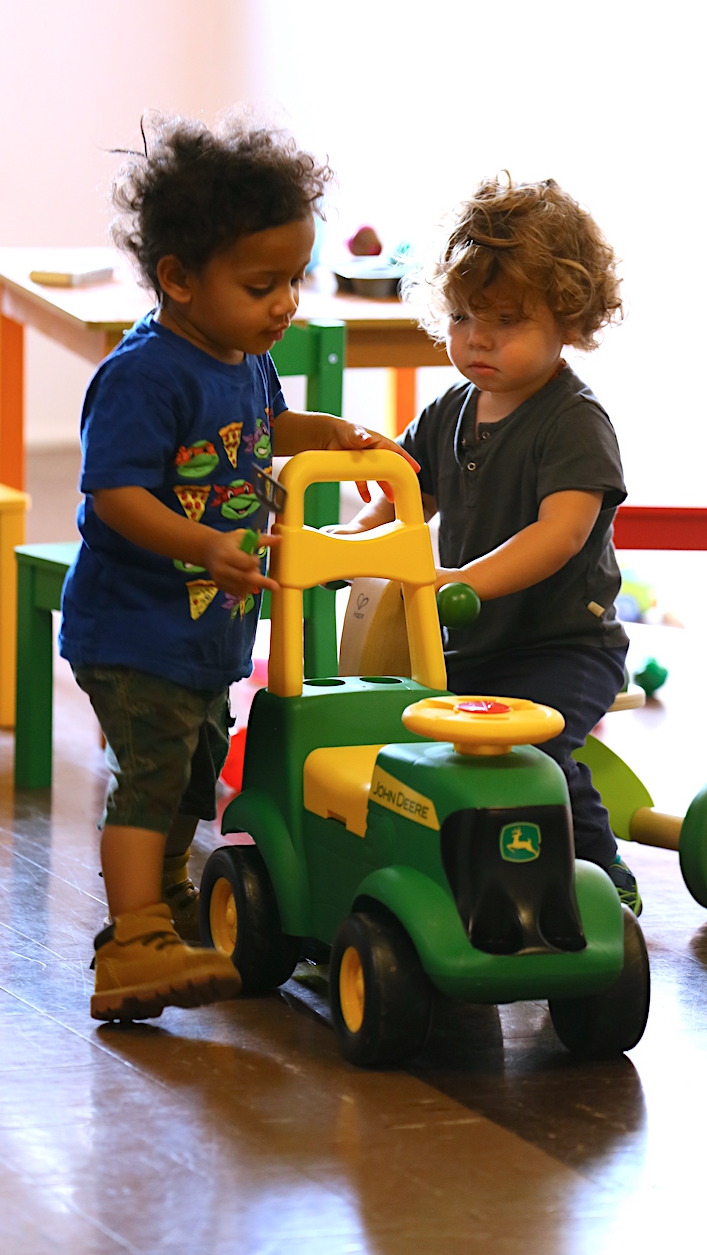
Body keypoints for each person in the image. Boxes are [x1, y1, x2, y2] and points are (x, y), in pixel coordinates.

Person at [59, 113, 415, 1022]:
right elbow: (115, 496)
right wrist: (204, 543)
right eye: (263, 284)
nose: (287, 303)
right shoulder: (145, 375)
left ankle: (171, 904)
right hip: (134, 627)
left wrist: (322, 433)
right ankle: (131, 939)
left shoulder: (244, 360)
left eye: (294, 279)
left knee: (193, 770)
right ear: (179, 280)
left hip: (204, 634)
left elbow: (263, 433)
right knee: (148, 773)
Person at [334, 175, 641, 914]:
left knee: (531, 751)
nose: (478, 337)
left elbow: (560, 534)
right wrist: (348, 541)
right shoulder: (450, 410)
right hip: (471, 648)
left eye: (507, 319)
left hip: (562, 646)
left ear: (569, 319)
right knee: (417, 758)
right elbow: (406, 496)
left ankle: (603, 872)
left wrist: (460, 580)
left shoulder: (573, 421)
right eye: (466, 315)